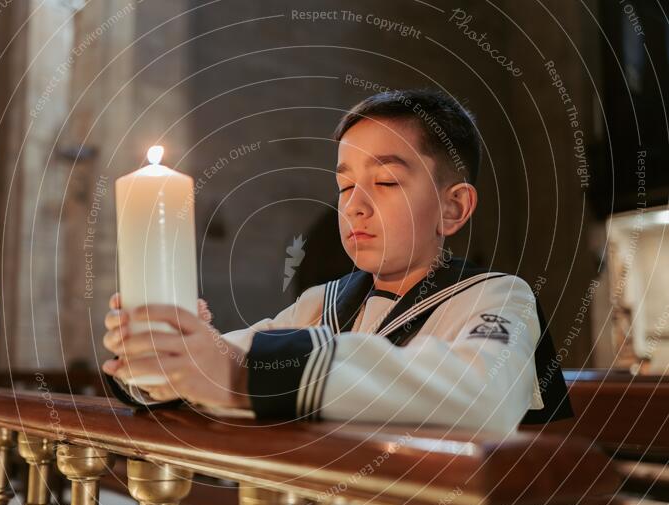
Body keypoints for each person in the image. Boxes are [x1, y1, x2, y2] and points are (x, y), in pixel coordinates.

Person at [101, 88, 573, 439]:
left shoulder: (499, 296)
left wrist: (242, 377)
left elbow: (480, 394)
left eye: (386, 181)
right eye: (345, 186)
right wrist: (162, 353)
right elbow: (228, 357)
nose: (355, 206)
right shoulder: (320, 303)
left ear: (453, 209)